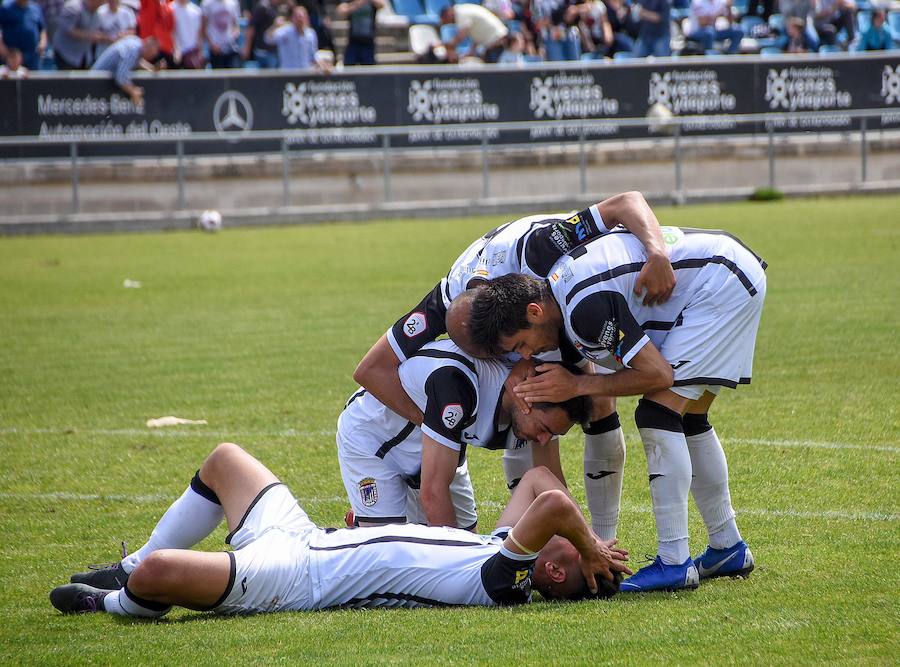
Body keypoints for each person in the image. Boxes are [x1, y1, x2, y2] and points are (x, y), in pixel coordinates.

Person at [454, 218, 766, 592]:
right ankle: (727, 545)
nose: (526, 355)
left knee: (657, 412)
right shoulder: (562, 300)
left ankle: (674, 561)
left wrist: (577, 384)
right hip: (728, 269)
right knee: (691, 418)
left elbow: (657, 375)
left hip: (720, 281)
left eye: (521, 344)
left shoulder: (582, 310)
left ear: (534, 312)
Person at [353, 191, 675, 543]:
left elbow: (625, 203)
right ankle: (557, 536)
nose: (522, 358)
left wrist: (656, 251)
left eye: (516, 349)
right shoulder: (442, 303)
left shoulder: (537, 252)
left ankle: (603, 534)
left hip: (574, 299)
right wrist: (437, 427)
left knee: (593, 404)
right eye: (509, 353)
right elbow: (371, 369)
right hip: (535, 315)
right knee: (528, 414)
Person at [50, 443, 631, 615]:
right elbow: (534, 480)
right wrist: (591, 551)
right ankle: (126, 570)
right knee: (226, 459)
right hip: (307, 536)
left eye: (573, 552)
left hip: (293, 579)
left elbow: (553, 503)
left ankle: (117, 604)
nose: (573, 538)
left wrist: (593, 547)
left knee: (159, 575)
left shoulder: (501, 579)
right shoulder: (496, 550)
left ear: (553, 567)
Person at [341, 339, 589, 529]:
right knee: (390, 561)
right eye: (545, 430)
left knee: (466, 538)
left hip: (444, 449)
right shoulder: (457, 385)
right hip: (374, 440)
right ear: (526, 398)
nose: (544, 440)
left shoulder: (534, 408)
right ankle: (358, 531)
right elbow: (433, 492)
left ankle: (371, 523)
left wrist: (589, 544)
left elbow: (554, 487)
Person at [91, 34, 159, 105]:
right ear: (147, 47)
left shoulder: (136, 43)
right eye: (151, 53)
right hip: (93, 82)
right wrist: (133, 91)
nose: (151, 57)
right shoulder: (133, 50)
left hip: (97, 81)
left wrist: (152, 68)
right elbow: (121, 78)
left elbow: (137, 61)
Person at [440, 3, 509, 63]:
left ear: (448, 14)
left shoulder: (461, 13)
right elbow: (477, 35)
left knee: (494, 71)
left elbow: (461, 35)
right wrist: (471, 52)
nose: (449, 23)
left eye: (446, 21)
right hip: (496, 40)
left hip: (497, 40)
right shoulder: (463, 10)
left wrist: (448, 45)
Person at [51, 0, 103, 69]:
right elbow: (67, 29)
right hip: (65, 55)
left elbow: (97, 31)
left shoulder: (98, 12)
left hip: (84, 56)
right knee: (67, 79)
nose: (102, 3)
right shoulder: (73, 7)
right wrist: (89, 36)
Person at [265, 5, 317, 69]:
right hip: (288, 75)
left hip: (305, 74)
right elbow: (268, 39)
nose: (300, 20)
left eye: (302, 17)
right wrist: (275, 26)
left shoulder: (311, 34)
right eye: (297, 17)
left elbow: (313, 55)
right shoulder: (285, 31)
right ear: (292, 18)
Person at [0, 0, 46, 70]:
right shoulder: (6, 7)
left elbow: (42, 28)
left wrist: (42, 43)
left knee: (33, 80)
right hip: (11, 56)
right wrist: (1, 46)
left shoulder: (35, 7)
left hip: (32, 57)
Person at [201, 0, 240, 68]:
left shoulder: (233, 3)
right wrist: (212, 44)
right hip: (215, 50)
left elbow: (236, 25)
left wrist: (234, 35)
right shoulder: (207, 4)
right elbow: (203, 27)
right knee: (218, 77)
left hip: (230, 48)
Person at [241, 0, 277, 67]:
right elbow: (251, 28)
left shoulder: (277, 7)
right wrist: (247, 47)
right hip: (262, 52)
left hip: (273, 51)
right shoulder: (262, 7)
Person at [170, 0, 203, 68]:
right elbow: (170, 32)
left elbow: (199, 33)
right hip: (175, 54)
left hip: (192, 54)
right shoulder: (171, 8)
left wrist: (199, 52)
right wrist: (176, 49)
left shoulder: (196, 10)